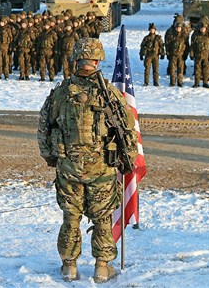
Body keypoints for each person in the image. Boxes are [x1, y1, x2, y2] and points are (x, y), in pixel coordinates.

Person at [37, 38, 138, 283]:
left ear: (75, 60)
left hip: (69, 167)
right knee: (102, 217)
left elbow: (44, 129)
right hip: (101, 169)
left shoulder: (61, 92)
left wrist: (53, 159)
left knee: (71, 217)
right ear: (97, 60)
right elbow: (127, 131)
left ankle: (69, 266)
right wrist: (129, 160)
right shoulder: (110, 95)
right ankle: (101, 267)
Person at [189, 21, 209, 88]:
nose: (203, 29)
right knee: (197, 69)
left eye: (204, 28)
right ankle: (197, 83)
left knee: (206, 70)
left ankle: (205, 83)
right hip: (198, 55)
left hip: (206, 55)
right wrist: (191, 54)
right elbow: (192, 45)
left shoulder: (208, 35)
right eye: (202, 28)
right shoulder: (195, 35)